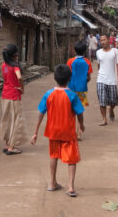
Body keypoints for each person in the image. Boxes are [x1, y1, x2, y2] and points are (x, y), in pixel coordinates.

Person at [30, 64, 85, 197]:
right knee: (71, 160)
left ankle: (52, 183)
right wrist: (81, 125)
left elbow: (41, 114)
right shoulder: (72, 96)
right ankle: (71, 186)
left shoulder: (49, 94)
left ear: (55, 78)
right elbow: (79, 113)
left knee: (53, 156)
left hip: (53, 131)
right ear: (69, 78)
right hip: (68, 132)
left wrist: (36, 132)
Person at [0, 44, 26, 155]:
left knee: (6, 119)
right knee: (16, 121)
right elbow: (19, 77)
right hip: (14, 95)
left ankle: (6, 144)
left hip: (5, 94)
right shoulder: (15, 66)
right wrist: (22, 88)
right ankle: (12, 147)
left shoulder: (3, 65)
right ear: (15, 55)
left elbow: (4, 78)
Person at [96, 34, 118, 126]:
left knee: (114, 101)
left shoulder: (115, 51)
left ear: (109, 40)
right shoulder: (98, 52)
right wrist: (100, 73)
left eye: (104, 40)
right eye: (101, 40)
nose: (102, 42)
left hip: (112, 80)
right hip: (101, 79)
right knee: (102, 101)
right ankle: (104, 119)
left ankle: (111, 109)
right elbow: (98, 65)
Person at [67, 41, 92, 138]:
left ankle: (70, 131)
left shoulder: (70, 61)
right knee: (79, 109)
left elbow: (67, 75)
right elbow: (88, 77)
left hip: (71, 89)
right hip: (82, 89)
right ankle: (79, 130)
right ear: (84, 51)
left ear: (74, 51)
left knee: (70, 110)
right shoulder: (87, 62)